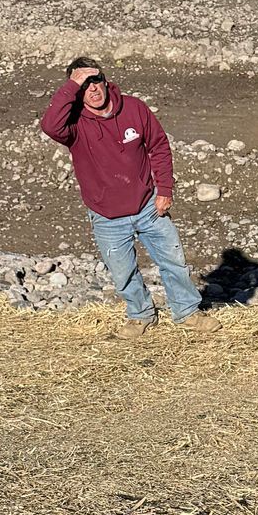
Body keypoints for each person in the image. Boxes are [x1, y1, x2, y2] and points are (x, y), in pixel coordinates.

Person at [39, 56, 202, 329]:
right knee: (123, 272)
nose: (92, 88)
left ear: (105, 81)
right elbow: (49, 126)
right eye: (83, 84)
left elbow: (159, 146)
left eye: (95, 80)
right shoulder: (74, 123)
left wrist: (165, 189)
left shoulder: (134, 108)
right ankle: (141, 316)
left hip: (148, 205)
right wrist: (71, 87)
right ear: (76, 91)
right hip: (106, 215)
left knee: (174, 261)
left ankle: (187, 312)